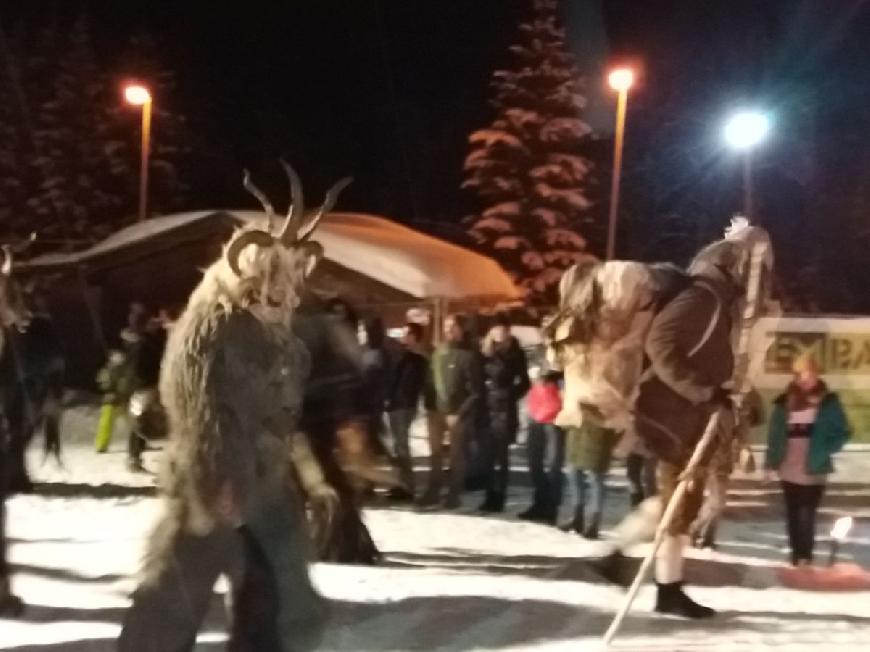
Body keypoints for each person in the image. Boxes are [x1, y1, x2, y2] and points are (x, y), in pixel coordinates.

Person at [118, 164, 350, 650]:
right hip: (209, 489)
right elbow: (195, 408)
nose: (284, 292)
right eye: (273, 279)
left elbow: (285, 421)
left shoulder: (283, 342)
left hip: (264, 487)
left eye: (290, 279)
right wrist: (219, 481)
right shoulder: (208, 327)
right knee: (171, 602)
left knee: (275, 603)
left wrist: (312, 478)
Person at [764, 354, 850, 567]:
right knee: (793, 513)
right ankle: (796, 554)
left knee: (807, 513)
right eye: (802, 375)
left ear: (817, 376)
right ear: (795, 377)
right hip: (789, 467)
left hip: (814, 468)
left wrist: (825, 449)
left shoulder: (829, 402)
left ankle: (806, 556)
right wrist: (771, 462)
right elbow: (775, 436)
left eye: (811, 375)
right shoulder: (784, 403)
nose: (806, 380)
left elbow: (843, 432)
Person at [419, 314, 483, 509]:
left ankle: (454, 494)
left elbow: (476, 391)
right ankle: (433, 491)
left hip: (456, 414)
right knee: (435, 454)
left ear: (461, 330)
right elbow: (430, 382)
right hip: (435, 412)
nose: (448, 330)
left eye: (453, 326)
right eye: (446, 326)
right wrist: (428, 407)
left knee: (456, 456)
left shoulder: (468, 356)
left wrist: (460, 413)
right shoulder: (438, 354)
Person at [479, 316, 530, 512]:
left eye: (502, 329)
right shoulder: (485, 352)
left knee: (501, 456)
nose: (499, 333)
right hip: (487, 407)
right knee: (487, 456)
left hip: (504, 408)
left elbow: (524, 382)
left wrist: (510, 394)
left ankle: (499, 496)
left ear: (508, 331)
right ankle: (488, 494)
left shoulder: (515, 353)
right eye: (495, 329)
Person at [385, 322, 428, 501]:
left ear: (415, 337)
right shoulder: (400, 356)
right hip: (396, 405)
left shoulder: (418, 360)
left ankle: (408, 486)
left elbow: (413, 385)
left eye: (407, 333)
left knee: (401, 446)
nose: (404, 337)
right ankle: (401, 483)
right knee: (397, 446)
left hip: (404, 406)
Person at [560, 414, 620, 539]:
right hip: (577, 430)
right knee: (574, 472)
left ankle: (594, 523)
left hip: (599, 430)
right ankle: (577, 517)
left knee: (596, 477)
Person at [518, 368, 564, 524]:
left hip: (554, 420)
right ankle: (540, 502)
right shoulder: (537, 352)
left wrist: (550, 375)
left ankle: (552, 507)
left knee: (554, 466)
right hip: (535, 418)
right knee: (534, 463)